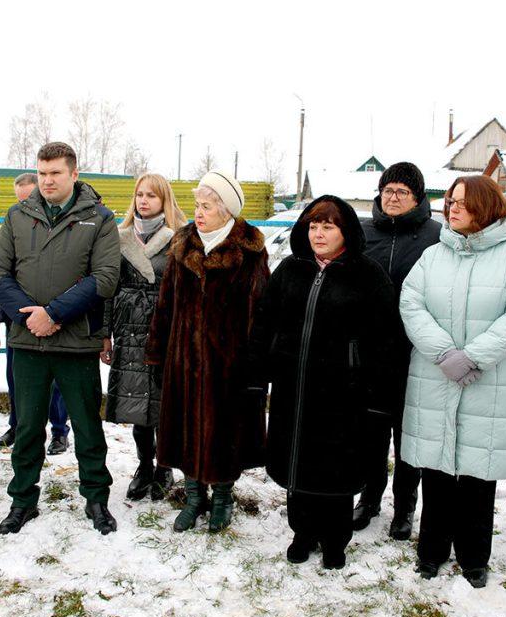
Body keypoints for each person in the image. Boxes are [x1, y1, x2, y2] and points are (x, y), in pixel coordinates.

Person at [399, 175, 506, 588]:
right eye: (450, 200)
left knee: (478, 476)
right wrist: (445, 354)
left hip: (488, 381)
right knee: (437, 471)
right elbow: (412, 304)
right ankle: (431, 552)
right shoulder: (433, 256)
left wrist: (474, 356)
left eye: (463, 202)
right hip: (435, 376)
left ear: (486, 206)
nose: (452, 208)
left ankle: (475, 557)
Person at [250, 195, 396, 569]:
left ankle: (335, 539)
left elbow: (385, 340)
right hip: (293, 387)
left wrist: (379, 396)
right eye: (313, 225)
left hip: (344, 393)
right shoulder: (290, 270)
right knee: (298, 465)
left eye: (328, 226)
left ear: (345, 231)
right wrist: (258, 375)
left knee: (335, 468)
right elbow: (264, 324)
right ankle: (302, 531)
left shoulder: (368, 275)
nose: (318, 233)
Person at [0, 142, 120, 535]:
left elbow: (106, 276)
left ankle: (96, 498)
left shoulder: (99, 219)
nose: (47, 181)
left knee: (86, 426)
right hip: (28, 342)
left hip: (76, 342)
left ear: (74, 175)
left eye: (55, 174)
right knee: (27, 426)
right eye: (42, 173)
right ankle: (22, 500)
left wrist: (55, 313)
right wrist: (31, 317)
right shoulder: (18, 216)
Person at [146, 171, 269, 533]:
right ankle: (194, 495)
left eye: (207, 206)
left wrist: (255, 367)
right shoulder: (183, 246)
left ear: (226, 210)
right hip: (183, 359)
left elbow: (260, 312)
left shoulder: (249, 253)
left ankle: (223, 497)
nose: (198, 213)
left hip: (228, 365)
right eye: (197, 205)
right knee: (184, 427)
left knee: (225, 432)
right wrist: (157, 352)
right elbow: (164, 305)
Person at [355, 162, 441, 539]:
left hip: (415, 351)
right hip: (369, 351)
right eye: (388, 190)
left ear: (417, 197)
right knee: (370, 432)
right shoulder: (361, 232)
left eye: (402, 192)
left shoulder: (437, 235)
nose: (392, 197)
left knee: (411, 435)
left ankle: (405, 508)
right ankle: (369, 499)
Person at [102, 173, 186, 501]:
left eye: (151, 195)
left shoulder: (179, 239)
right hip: (129, 330)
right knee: (137, 405)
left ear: (164, 199)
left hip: (164, 331)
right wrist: (105, 335)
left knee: (163, 403)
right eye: (139, 194)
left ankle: (164, 466)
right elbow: (108, 289)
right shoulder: (118, 237)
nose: (144, 201)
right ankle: (144, 466)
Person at [0, 172, 71, 456]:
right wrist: (22, 311)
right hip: (18, 316)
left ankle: (59, 431)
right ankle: (17, 425)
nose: (26, 205)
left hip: (52, 315)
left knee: (56, 382)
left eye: (29, 198)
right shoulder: (13, 224)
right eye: (20, 200)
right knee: (16, 378)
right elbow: (1, 271)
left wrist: (49, 312)